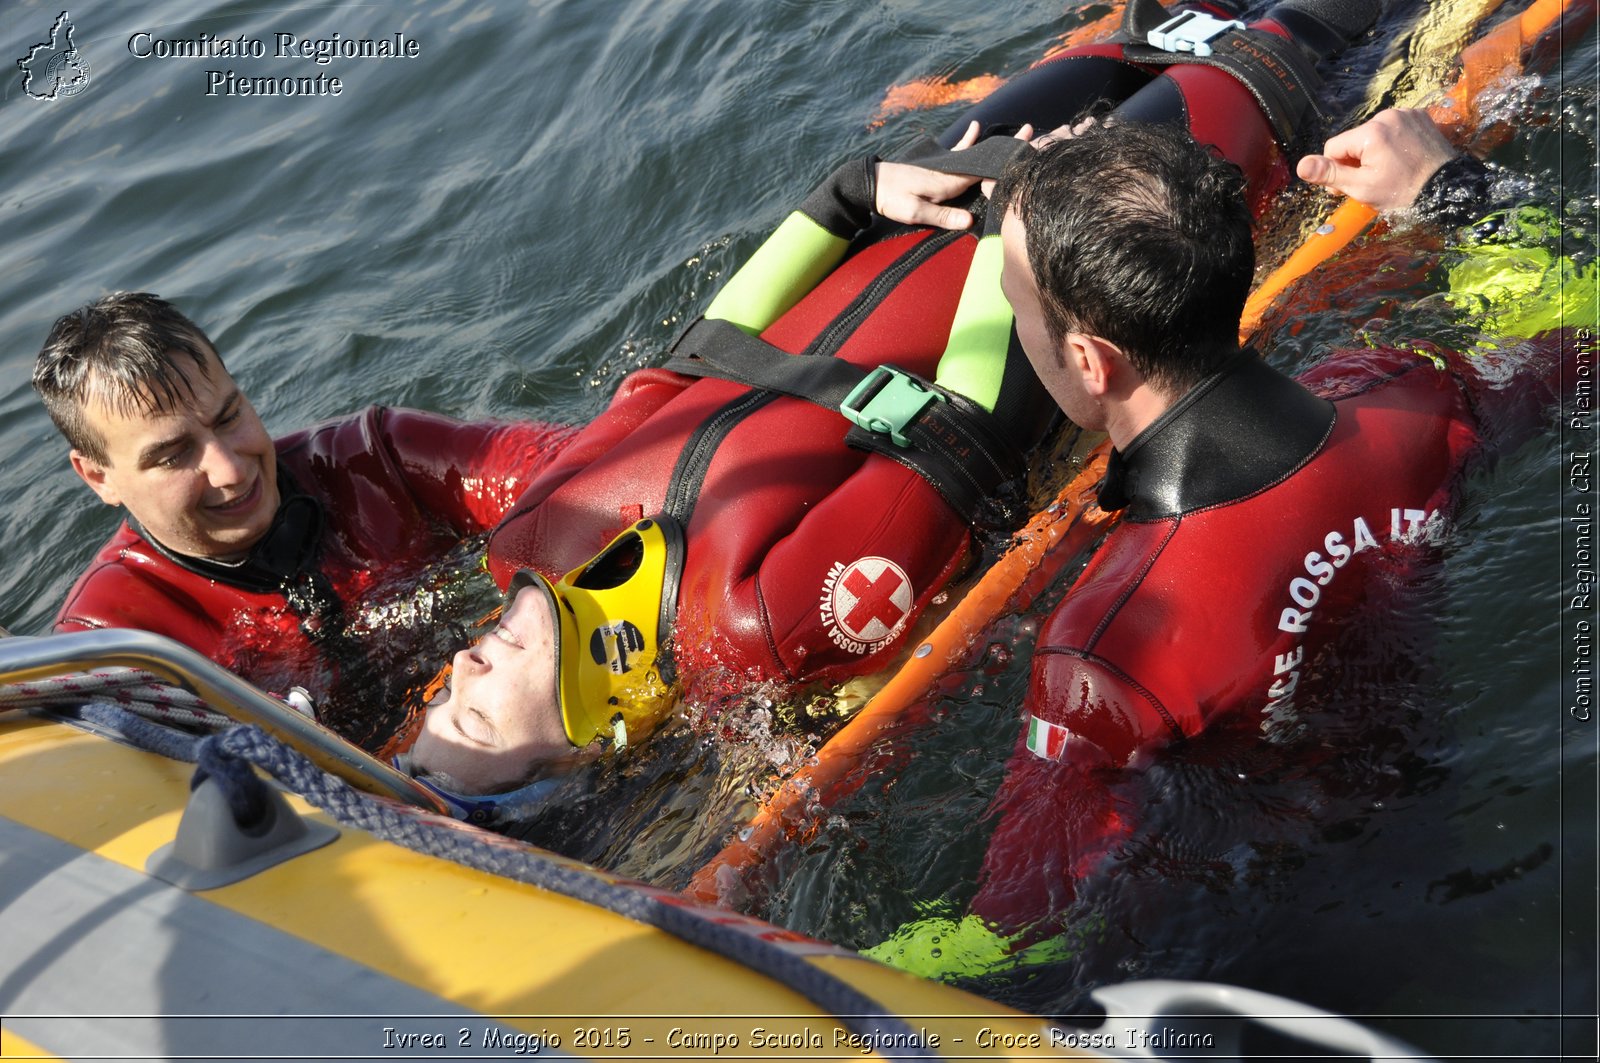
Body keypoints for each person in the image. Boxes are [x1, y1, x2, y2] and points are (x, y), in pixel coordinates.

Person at [400, 0, 1383, 812]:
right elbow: (962, 430)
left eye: (446, 698)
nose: (468, 674)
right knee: (1260, 57)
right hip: (1054, 255)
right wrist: (1019, 217)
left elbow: (686, 363)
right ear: (581, 753)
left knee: (1133, 36)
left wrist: (843, 200)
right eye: (477, 723)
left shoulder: (536, 530)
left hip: (934, 200)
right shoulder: (762, 628)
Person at [864, 104, 1588, 967]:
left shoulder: (1104, 651)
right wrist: (1449, 188)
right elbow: (1572, 336)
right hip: (1447, 827)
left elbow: (1013, 938)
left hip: (1282, 942)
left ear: (1091, 361)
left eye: (1020, 308)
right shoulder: (1399, 396)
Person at [32, 294, 575, 745]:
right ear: (98, 476)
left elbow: (568, 468)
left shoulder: (376, 460)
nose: (230, 469)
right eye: (173, 454)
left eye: (230, 416)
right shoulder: (112, 641)